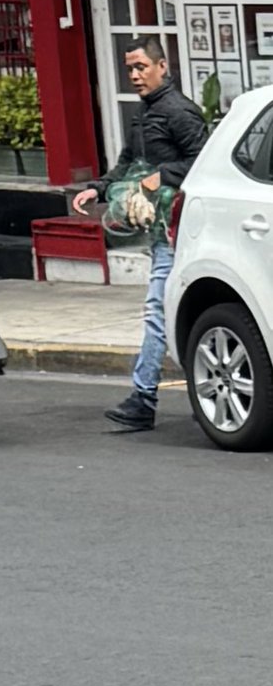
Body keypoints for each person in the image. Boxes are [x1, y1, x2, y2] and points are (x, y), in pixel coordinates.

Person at [73, 36, 207, 431]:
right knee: (161, 310)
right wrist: (97, 188)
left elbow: (201, 162)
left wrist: (158, 178)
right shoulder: (142, 114)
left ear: (162, 66)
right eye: (129, 69)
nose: (134, 75)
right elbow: (128, 164)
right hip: (159, 229)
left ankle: (143, 398)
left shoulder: (180, 113)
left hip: (179, 229)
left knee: (156, 310)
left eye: (141, 67)